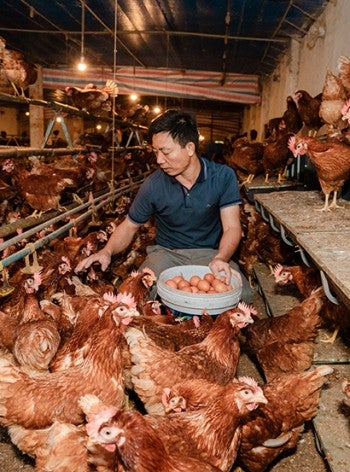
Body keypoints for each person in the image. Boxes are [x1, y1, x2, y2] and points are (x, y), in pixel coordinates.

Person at [75, 109, 252, 303]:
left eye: (166, 152)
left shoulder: (223, 176)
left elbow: (232, 227)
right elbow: (129, 226)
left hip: (211, 253)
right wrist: (106, 251)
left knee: (242, 295)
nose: (159, 160)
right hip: (167, 254)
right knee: (136, 294)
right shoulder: (153, 185)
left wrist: (221, 257)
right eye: (156, 152)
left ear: (190, 148)